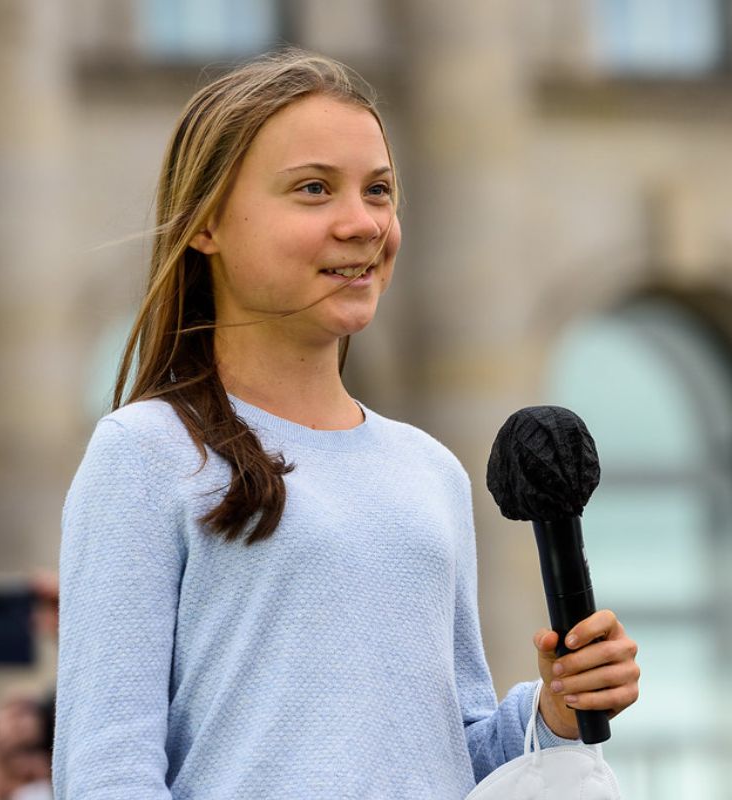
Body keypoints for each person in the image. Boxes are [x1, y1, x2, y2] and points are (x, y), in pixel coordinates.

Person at [52, 48, 639, 798]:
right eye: (313, 189)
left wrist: (552, 710)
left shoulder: (429, 468)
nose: (362, 224)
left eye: (380, 191)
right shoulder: (144, 453)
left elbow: (447, 754)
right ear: (206, 225)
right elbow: (107, 771)